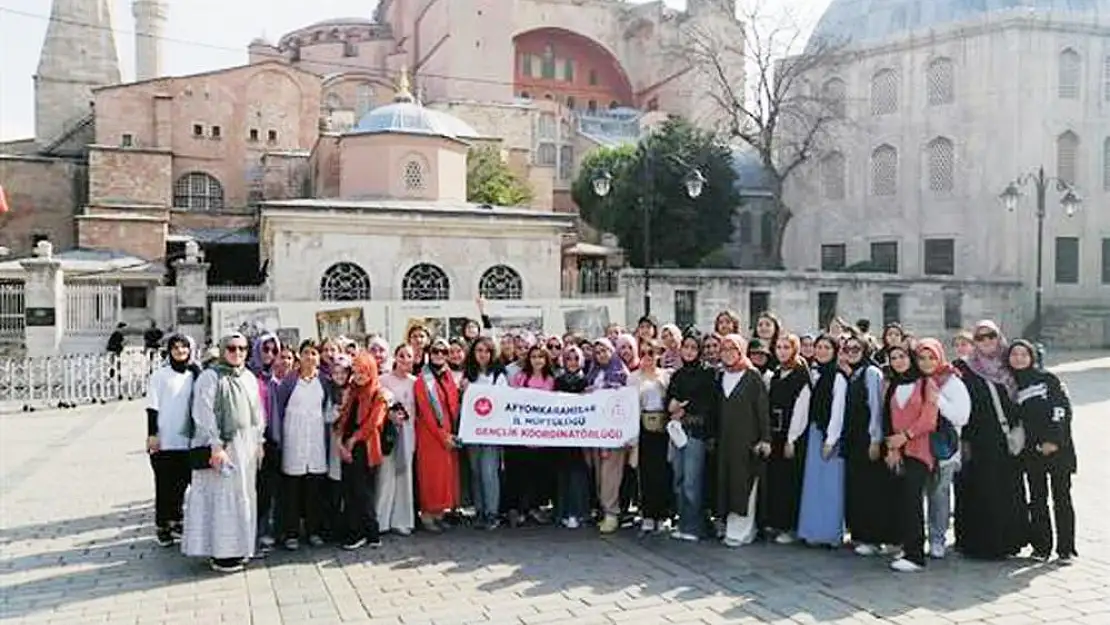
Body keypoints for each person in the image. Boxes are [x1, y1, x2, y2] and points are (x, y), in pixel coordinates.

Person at [180, 333, 264, 573]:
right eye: (231, 348)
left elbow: (257, 411)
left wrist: (260, 440)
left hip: (246, 445)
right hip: (223, 445)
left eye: (242, 348)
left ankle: (241, 546)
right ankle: (222, 552)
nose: (237, 353)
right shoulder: (210, 376)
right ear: (222, 349)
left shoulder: (248, 376)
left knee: (243, 493)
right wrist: (215, 445)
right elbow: (203, 413)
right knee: (222, 495)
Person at [953, 320, 1029, 560]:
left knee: (1006, 491)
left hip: (1005, 442)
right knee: (980, 492)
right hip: (976, 442)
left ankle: (1008, 541)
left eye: (991, 336)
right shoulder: (964, 368)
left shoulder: (1009, 367)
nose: (986, 342)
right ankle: (979, 544)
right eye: (981, 337)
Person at [1008, 339, 1077, 563]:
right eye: (1014, 354)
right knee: (1037, 499)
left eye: (1023, 354)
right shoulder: (1011, 385)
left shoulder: (1048, 379)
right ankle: (1041, 547)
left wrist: (1054, 441)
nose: (1018, 358)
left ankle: (1065, 549)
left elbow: (1061, 409)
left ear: (1032, 357)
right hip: (1032, 451)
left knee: (1062, 498)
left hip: (1058, 448)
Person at [715, 334, 772, 548]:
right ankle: (729, 526)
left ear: (741, 351)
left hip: (747, 441)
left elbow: (762, 409)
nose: (728, 353)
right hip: (725, 442)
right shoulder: (721, 376)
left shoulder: (752, 376)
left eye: (733, 348)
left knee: (744, 483)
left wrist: (765, 438)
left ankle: (744, 530)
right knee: (727, 483)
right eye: (725, 348)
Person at [145, 333, 200, 546]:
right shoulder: (160, 375)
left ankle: (177, 520)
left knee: (182, 483)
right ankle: (162, 525)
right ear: (169, 351)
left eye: (184, 347)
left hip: (187, 440)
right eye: (175, 347)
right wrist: (152, 435)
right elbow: (152, 407)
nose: (180, 351)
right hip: (165, 439)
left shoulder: (194, 374)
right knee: (164, 485)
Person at [334, 353, 390, 550]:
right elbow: (343, 417)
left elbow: (373, 423)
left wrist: (352, 440)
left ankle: (369, 533)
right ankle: (353, 531)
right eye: (356, 371)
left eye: (363, 372)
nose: (359, 376)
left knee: (363, 492)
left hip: (365, 448)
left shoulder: (379, 394)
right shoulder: (352, 392)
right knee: (350, 491)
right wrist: (340, 442)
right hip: (348, 446)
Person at [413, 338, 462, 532]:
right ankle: (427, 514)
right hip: (430, 434)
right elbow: (426, 412)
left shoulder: (448, 375)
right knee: (431, 475)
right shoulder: (421, 380)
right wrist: (443, 436)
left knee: (445, 475)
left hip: (448, 432)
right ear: (429, 353)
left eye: (444, 351)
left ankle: (440, 513)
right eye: (435, 351)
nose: (439, 355)